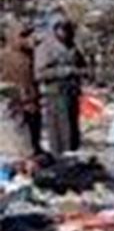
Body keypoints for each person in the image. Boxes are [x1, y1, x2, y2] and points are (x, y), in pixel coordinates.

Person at [33, 13, 89, 154]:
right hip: (55, 92)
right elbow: (39, 73)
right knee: (59, 128)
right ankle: (59, 157)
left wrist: (80, 72)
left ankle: (73, 154)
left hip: (72, 92)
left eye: (67, 28)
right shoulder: (46, 48)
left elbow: (83, 66)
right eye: (61, 29)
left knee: (72, 127)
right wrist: (63, 72)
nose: (65, 32)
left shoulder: (73, 46)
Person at [0, 18, 41, 158]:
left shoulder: (31, 55)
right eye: (23, 35)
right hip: (13, 103)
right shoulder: (3, 56)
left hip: (32, 101)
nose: (30, 39)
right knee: (19, 138)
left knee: (34, 136)